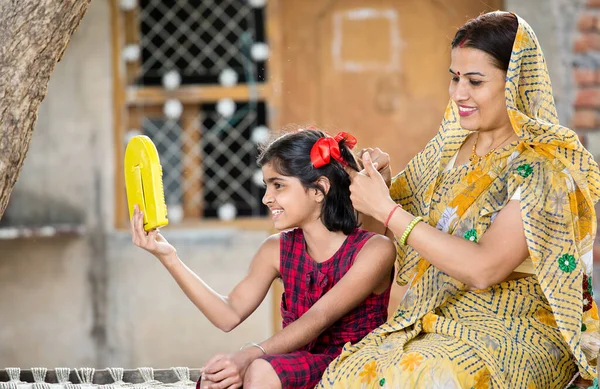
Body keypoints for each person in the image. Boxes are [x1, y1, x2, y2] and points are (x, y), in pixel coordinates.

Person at [317, 11, 600, 389]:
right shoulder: (448, 151)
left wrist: (387, 208)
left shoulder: (544, 168)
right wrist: (374, 190)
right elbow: (386, 239)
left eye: (475, 81)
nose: (458, 93)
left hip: (521, 328)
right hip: (440, 318)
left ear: (515, 83)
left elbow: (484, 269)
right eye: (454, 78)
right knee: (348, 373)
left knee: (428, 376)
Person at [130, 129, 396, 389]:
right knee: (217, 379)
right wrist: (168, 256)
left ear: (319, 190)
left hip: (354, 366)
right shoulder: (276, 249)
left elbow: (319, 317)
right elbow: (228, 314)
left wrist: (249, 355)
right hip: (291, 365)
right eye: (267, 186)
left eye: (278, 185)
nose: (267, 198)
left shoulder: (375, 250)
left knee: (259, 368)